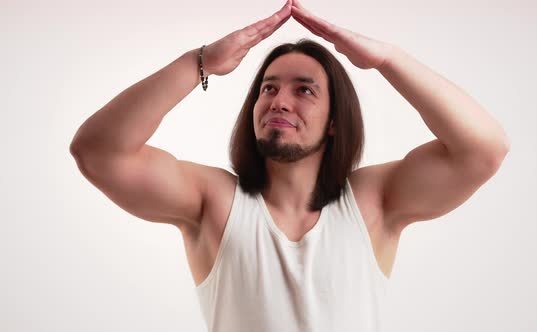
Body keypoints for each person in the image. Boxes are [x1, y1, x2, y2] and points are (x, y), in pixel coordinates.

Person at [70, 0, 510, 330]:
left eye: (305, 90)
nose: (279, 100)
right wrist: (199, 62)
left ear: (335, 121)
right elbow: (99, 152)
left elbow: (484, 149)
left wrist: (387, 60)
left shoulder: (374, 202)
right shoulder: (215, 202)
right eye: (268, 88)